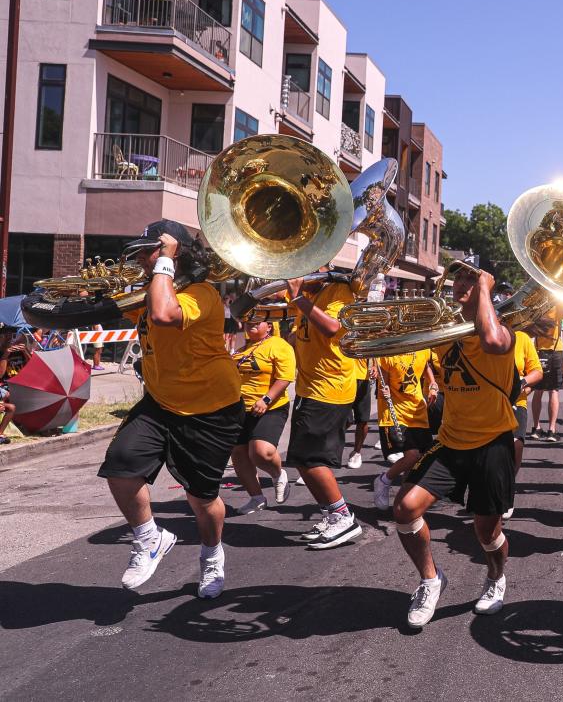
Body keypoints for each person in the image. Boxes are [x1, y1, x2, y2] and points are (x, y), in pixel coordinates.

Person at [95, 220, 243, 598]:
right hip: (161, 401)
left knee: (201, 497)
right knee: (121, 465)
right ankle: (150, 539)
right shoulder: (152, 288)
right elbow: (118, 307)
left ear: (175, 257)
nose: (144, 259)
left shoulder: (202, 293)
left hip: (210, 409)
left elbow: (163, 313)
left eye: (152, 251)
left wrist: (166, 262)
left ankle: (212, 555)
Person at [394, 261, 520, 629]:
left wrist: (485, 289)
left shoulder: (507, 334)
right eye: (459, 276)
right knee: (405, 508)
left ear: (486, 286)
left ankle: (496, 578)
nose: (462, 282)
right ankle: (431, 579)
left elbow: (492, 340)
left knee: (487, 532)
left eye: (471, 276)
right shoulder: (443, 330)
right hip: (450, 443)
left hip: (493, 444)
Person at [286, 270, 363, 550]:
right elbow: (301, 336)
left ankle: (344, 518)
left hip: (329, 389)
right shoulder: (307, 292)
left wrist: (297, 298)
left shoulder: (339, 291)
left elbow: (332, 327)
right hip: (309, 389)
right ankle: (331, 514)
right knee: (301, 459)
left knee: (312, 459)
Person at [230, 316, 295, 514]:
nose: (252, 325)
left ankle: (277, 474)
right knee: (239, 454)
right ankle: (256, 498)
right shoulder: (241, 349)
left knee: (261, 452)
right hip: (239, 409)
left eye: (257, 321)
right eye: (248, 322)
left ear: (269, 326)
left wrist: (266, 399)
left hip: (270, 406)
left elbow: (285, 377)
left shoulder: (278, 345)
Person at [371, 348, 437, 511]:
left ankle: (402, 499)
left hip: (417, 411)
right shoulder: (388, 353)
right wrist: (383, 388)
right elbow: (383, 384)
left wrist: (433, 385)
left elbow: (426, 365)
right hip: (395, 411)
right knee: (412, 455)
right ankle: (384, 480)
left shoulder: (422, 349)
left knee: (417, 459)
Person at [505, 327, 544, 518]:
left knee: (515, 446)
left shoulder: (522, 338)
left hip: (516, 403)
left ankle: (508, 488)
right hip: (489, 404)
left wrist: (521, 384)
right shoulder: (483, 338)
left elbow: (537, 371)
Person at [528, 307, 563, 441]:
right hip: (556, 350)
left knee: (538, 390)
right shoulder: (558, 304)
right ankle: (551, 430)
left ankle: (536, 428)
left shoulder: (537, 306)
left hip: (537, 350)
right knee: (553, 391)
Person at [347, 358, 380, 468]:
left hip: (362, 378)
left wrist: (375, 366)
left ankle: (356, 452)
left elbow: (373, 347)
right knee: (345, 420)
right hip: (342, 378)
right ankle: (321, 460)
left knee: (362, 419)